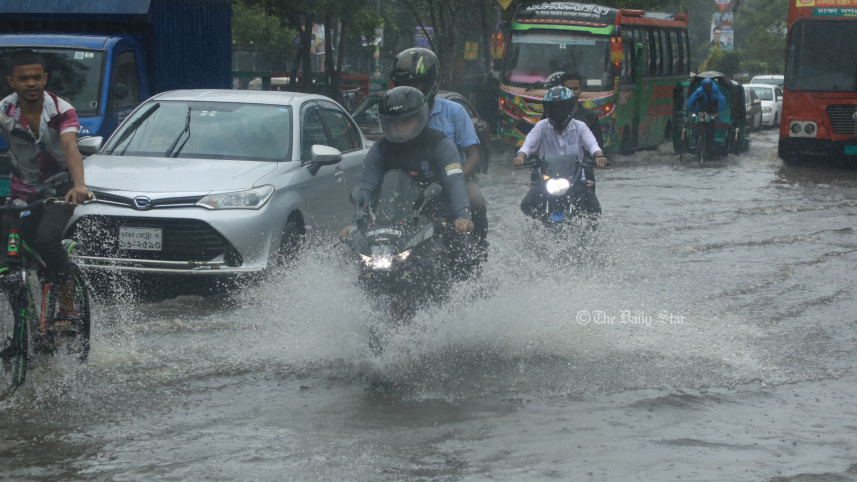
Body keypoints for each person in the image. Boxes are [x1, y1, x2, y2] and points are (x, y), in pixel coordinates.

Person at [0, 49, 88, 333]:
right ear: (11, 81)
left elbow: (70, 146)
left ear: (45, 78)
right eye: (23, 78)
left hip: (60, 188)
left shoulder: (62, 110)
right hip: (21, 190)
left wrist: (79, 185)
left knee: (47, 239)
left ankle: (67, 305)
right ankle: (25, 322)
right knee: (8, 253)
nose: (31, 83)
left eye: (36, 77)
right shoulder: (4, 111)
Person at [341, 86, 475, 270]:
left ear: (420, 118)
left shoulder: (441, 144)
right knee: (352, 255)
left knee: (462, 254)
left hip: (439, 213)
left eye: (405, 122)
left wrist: (462, 216)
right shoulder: (379, 150)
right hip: (393, 220)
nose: (398, 128)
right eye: (393, 123)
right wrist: (353, 224)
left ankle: (468, 291)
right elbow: (366, 190)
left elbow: (455, 181)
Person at [388, 48, 488, 259]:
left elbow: (473, 155)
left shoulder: (454, 112)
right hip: (409, 186)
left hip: (452, 181)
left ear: (432, 82)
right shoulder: (394, 114)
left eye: (417, 83)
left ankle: (477, 254)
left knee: (476, 200)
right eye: (402, 85)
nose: (409, 90)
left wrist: (454, 181)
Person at [513, 86, 606, 224]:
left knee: (594, 209)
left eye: (561, 108)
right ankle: (531, 234)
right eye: (554, 108)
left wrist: (599, 157)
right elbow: (528, 145)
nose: (558, 112)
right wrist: (521, 157)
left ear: (569, 107)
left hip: (576, 180)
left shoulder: (580, 127)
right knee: (526, 205)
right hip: (546, 179)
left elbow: (592, 145)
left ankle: (590, 238)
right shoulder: (541, 126)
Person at [557, 72, 604, 151]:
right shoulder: (551, 114)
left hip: (583, 161)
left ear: (581, 89)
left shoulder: (590, 116)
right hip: (555, 161)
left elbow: (597, 145)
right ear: (562, 90)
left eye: (575, 88)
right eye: (568, 89)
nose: (572, 92)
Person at [686, 78, 726, 160]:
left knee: (710, 135)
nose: (708, 88)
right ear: (704, 86)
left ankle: (710, 152)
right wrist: (693, 113)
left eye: (709, 86)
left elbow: (716, 106)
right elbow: (693, 103)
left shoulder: (714, 95)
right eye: (707, 86)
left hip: (710, 116)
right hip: (701, 115)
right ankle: (697, 144)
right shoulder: (699, 93)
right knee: (698, 130)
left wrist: (716, 114)